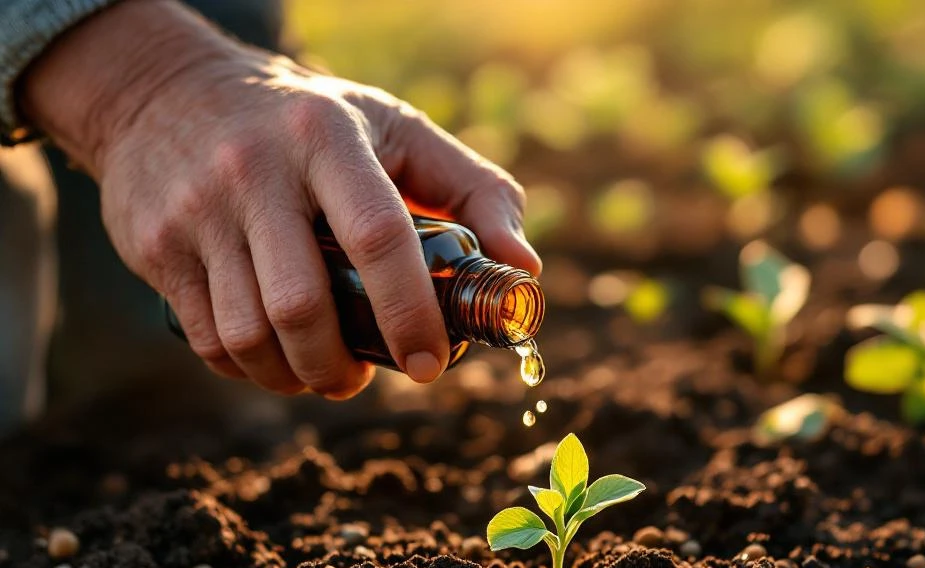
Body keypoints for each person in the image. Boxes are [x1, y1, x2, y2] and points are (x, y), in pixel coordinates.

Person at [0, 0, 541, 432]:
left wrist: (262, 83)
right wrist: (148, 86)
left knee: (179, 372)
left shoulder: (454, 250)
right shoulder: (450, 249)